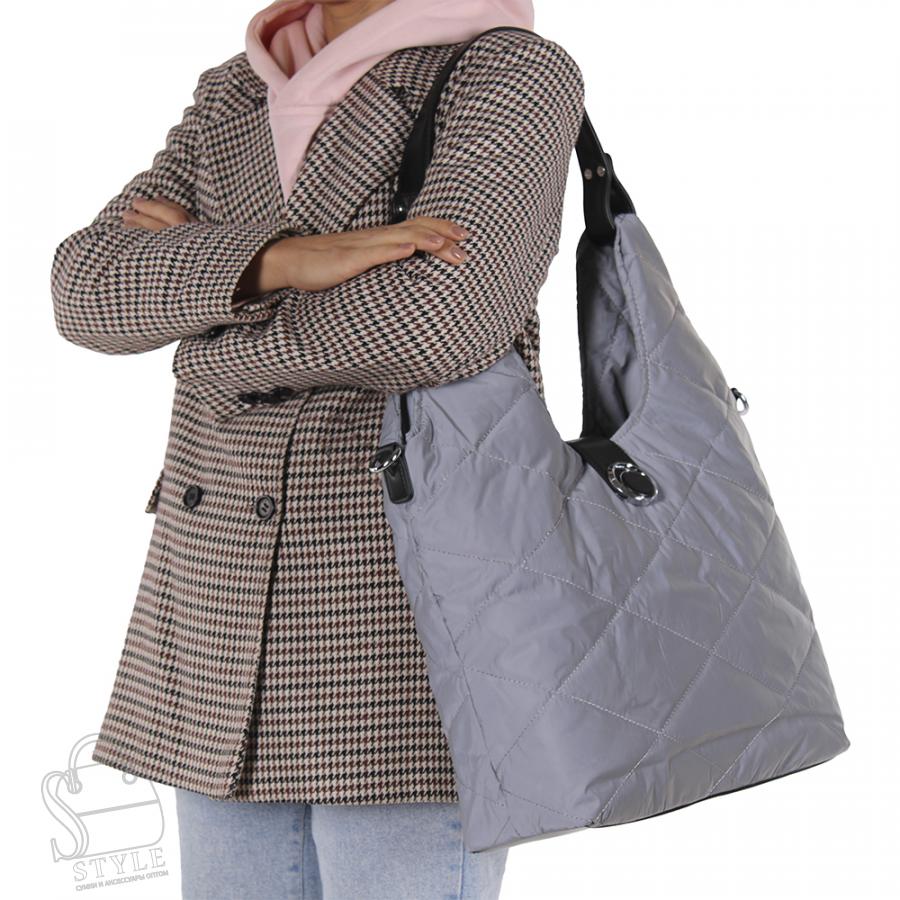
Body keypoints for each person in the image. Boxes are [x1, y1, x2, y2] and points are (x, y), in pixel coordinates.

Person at [50, 0, 585, 896]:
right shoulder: (236, 88)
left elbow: (441, 320)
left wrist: (206, 326)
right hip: (217, 606)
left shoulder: (505, 72)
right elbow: (84, 288)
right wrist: (280, 260)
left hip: (402, 601)